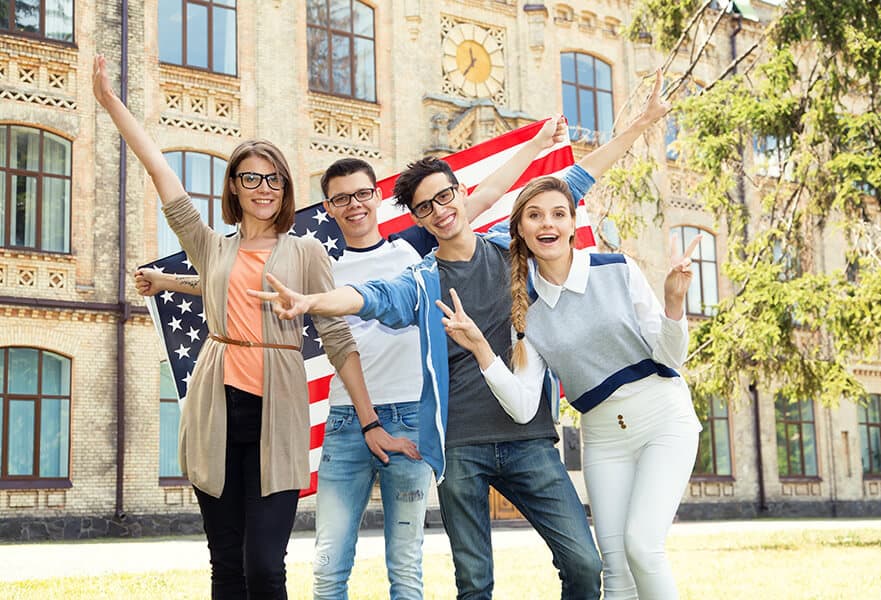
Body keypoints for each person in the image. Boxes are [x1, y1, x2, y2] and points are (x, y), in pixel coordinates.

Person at [248, 71, 670, 600]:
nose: (441, 211)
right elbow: (371, 297)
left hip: (529, 440)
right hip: (461, 448)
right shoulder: (421, 279)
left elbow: (576, 181)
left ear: (460, 193)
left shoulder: (515, 250)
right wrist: (311, 302)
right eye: (426, 207)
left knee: (585, 566)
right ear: (418, 217)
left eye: (446, 197)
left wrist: (639, 126)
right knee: (474, 584)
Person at [135, 117, 567, 600]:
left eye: (363, 193)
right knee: (327, 566)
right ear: (329, 207)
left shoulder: (412, 249)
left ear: (378, 198)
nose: (354, 204)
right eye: (341, 198)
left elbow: (481, 196)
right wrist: (170, 281)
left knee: (404, 567)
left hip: (406, 418)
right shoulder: (322, 260)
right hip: (345, 423)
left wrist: (534, 145)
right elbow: (243, 286)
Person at [92, 55, 418, 600]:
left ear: (284, 187)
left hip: (278, 415)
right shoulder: (210, 246)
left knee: (265, 564)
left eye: (272, 178)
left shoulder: (307, 250)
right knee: (225, 563)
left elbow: (337, 339)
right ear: (235, 188)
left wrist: (369, 424)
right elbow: (162, 173)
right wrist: (110, 102)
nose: (263, 188)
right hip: (214, 411)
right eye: (251, 178)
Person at [436, 174, 702, 599]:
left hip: (662, 419)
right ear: (520, 230)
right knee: (613, 567)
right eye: (535, 216)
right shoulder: (526, 312)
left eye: (559, 214)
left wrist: (673, 303)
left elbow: (671, 360)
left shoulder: (618, 269)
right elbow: (524, 407)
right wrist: (484, 351)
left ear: (574, 224)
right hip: (603, 437)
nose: (548, 224)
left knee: (642, 547)